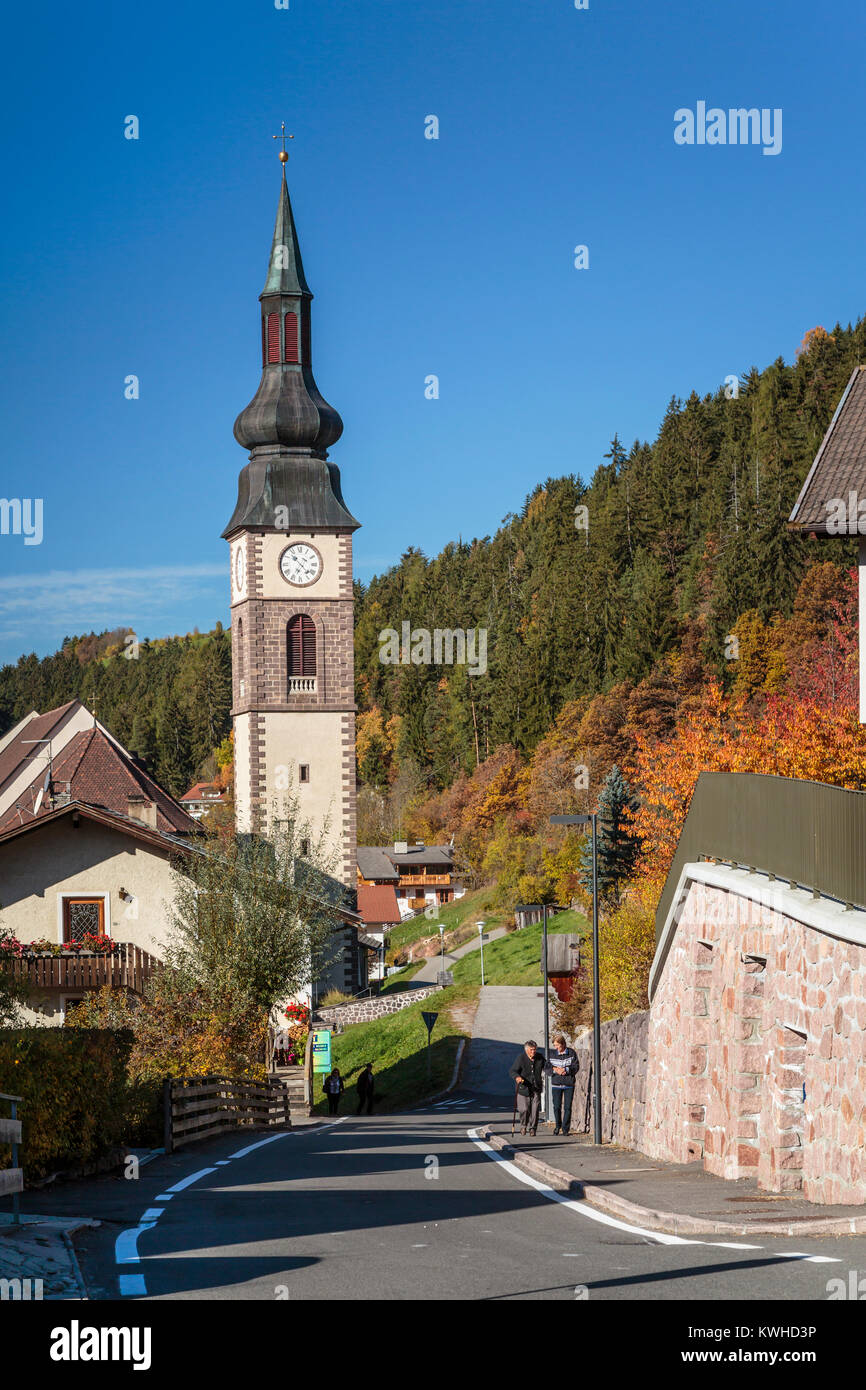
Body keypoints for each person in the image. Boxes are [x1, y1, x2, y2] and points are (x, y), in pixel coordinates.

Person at [509, 1039, 545, 1136]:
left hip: (536, 1089)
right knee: (524, 1109)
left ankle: (533, 1128)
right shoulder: (521, 1058)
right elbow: (513, 1071)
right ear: (526, 1050)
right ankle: (523, 1126)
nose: (533, 1051)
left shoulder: (540, 1058)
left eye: (535, 1049)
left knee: (535, 1110)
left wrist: (554, 1070)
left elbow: (547, 1066)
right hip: (523, 1089)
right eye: (531, 1050)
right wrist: (517, 1077)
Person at [545, 1033, 578, 1135]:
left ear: (563, 1044)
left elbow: (576, 1067)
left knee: (567, 1107)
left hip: (568, 1085)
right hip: (556, 1085)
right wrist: (556, 1070)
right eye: (555, 1045)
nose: (556, 1048)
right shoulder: (552, 1054)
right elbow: (547, 1068)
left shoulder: (571, 1053)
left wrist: (566, 1070)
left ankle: (565, 1129)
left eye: (557, 1045)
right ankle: (557, 1126)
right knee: (557, 1107)